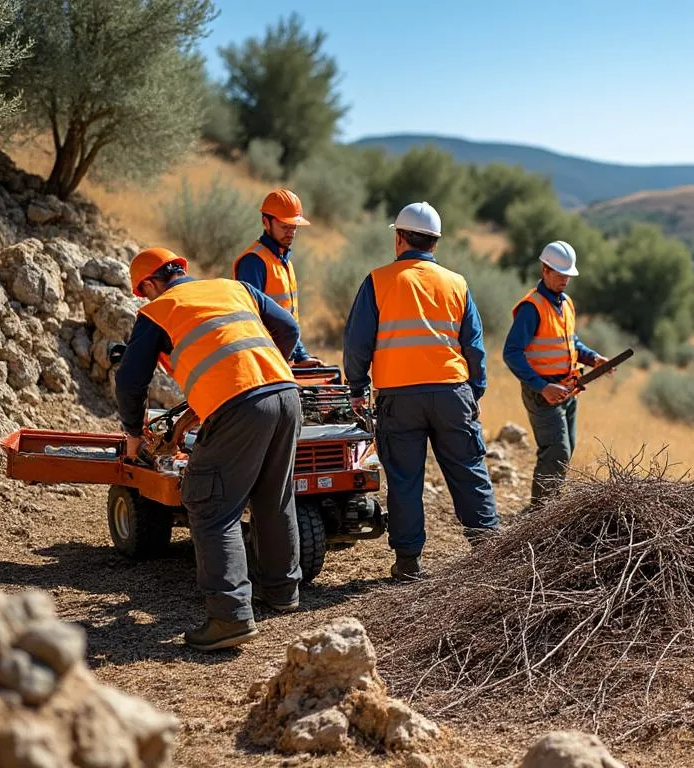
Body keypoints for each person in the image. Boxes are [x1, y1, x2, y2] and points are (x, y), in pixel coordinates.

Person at [116, 247, 303, 651]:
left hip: (239, 405)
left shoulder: (159, 310)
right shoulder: (234, 288)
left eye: (143, 292)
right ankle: (282, 591)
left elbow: (130, 380)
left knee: (210, 504)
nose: (145, 298)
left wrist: (132, 433)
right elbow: (289, 328)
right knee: (274, 496)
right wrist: (266, 370)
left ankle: (230, 617)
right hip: (286, 394)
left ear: (149, 284)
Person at [342, 201, 500, 580]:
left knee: (404, 479)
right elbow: (474, 347)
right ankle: (491, 553)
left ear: (399, 238)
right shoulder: (457, 283)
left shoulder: (379, 281)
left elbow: (357, 343)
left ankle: (409, 562)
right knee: (469, 471)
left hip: (400, 398)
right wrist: (473, 392)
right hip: (452, 393)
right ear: (435, 242)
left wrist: (358, 387)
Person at [503, 241, 607, 507]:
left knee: (566, 449)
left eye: (568, 275)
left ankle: (550, 506)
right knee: (556, 451)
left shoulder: (566, 303)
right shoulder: (532, 307)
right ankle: (541, 513)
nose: (565, 280)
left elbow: (570, 341)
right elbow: (511, 353)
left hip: (568, 390)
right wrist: (541, 386)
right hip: (542, 394)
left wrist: (592, 358)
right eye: (560, 274)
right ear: (545, 270)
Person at [233, 188, 323, 368]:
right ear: (266, 222)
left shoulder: (284, 262)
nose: (290, 233)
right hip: (264, 361)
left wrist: (301, 356)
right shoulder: (253, 262)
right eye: (284, 227)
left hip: (282, 359)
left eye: (294, 227)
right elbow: (251, 322)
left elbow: (289, 319)